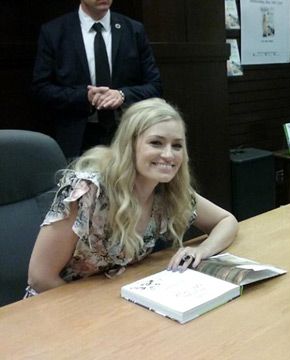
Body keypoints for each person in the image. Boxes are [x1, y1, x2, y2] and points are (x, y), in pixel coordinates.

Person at [26, 98, 238, 296]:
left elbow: (226, 221)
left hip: (115, 296)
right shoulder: (88, 191)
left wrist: (201, 250)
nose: (168, 154)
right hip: (59, 307)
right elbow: (40, 278)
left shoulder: (168, 191)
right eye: (156, 142)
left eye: (177, 145)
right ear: (130, 145)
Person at [32, 0, 162, 159]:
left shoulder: (133, 29)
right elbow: (41, 89)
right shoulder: (54, 31)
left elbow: (155, 86)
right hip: (78, 136)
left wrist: (122, 95)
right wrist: (85, 97)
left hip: (126, 134)